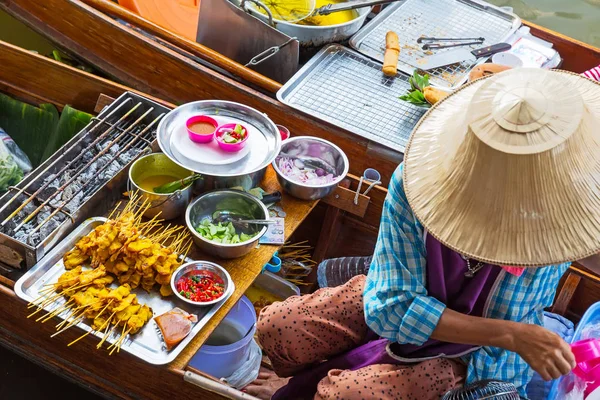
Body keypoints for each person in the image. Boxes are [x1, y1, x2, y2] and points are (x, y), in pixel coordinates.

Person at [246, 68, 600, 399]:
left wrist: (512, 338)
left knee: (348, 395)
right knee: (280, 327)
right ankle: (299, 381)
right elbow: (390, 307)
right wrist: (511, 334)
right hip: (432, 309)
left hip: (479, 357)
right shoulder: (418, 180)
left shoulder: (578, 203)